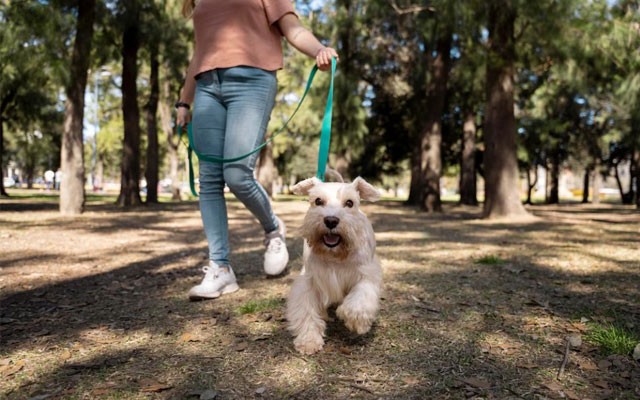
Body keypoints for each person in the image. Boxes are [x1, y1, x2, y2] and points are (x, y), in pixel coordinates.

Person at [176, 0, 339, 300]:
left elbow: (294, 29)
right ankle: (220, 268)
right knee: (209, 179)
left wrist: (319, 49)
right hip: (208, 86)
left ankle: (273, 228)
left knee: (236, 173)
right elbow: (199, 53)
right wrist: (184, 102)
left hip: (251, 81)